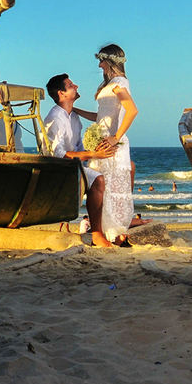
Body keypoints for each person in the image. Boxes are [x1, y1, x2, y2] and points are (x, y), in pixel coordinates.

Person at [43, 73, 117, 248]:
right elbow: (58, 154)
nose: (76, 86)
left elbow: (78, 146)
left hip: (73, 165)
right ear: (61, 93)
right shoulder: (55, 118)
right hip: (59, 168)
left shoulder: (73, 117)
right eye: (70, 85)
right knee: (98, 179)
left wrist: (96, 152)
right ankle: (97, 235)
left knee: (109, 171)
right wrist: (93, 155)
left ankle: (113, 229)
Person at [88, 44, 138, 245]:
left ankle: (114, 236)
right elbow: (102, 116)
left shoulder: (118, 83)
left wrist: (116, 137)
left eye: (101, 61)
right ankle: (109, 235)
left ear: (109, 62)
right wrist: (75, 111)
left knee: (110, 190)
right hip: (104, 141)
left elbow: (132, 110)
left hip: (112, 145)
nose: (99, 65)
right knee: (105, 190)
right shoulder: (112, 84)